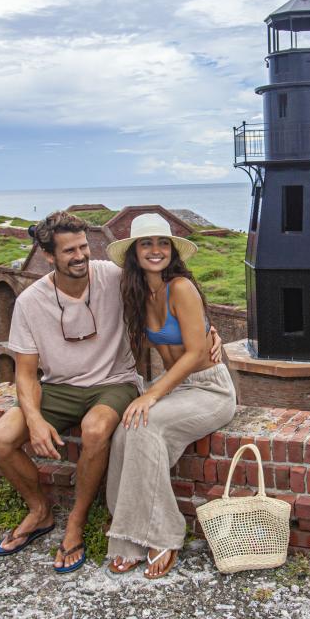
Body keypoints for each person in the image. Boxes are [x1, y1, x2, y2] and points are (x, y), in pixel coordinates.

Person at [0, 211, 221, 573]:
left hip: (117, 383)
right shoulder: (32, 302)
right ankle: (40, 511)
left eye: (83, 247)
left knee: (105, 429)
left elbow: (183, 305)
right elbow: (25, 373)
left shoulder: (112, 277)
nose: (80, 256)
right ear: (49, 256)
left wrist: (209, 332)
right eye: (69, 251)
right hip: (60, 388)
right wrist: (33, 420)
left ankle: (80, 524)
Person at [103, 214, 237, 580]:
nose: (156, 250)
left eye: (162, 243)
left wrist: (152, 394)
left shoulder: (181, 287)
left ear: (172, 251)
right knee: (123, 432)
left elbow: (195, 352)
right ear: (134, 252)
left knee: (144, 424)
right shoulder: (137, 293)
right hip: (175, 387)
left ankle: (163, 534)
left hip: (210, 388)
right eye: (146, 244)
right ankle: (127, 536)